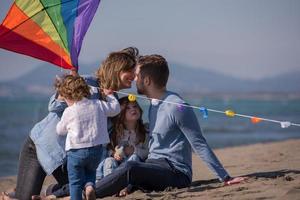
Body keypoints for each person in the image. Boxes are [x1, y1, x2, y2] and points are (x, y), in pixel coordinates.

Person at [93, 54, 245, 198]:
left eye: (137, 75)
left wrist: (225, 177)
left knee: (130, 168)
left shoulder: (177, 106)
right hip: (153, 165)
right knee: (115, 166)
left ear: (147, 81)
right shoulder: (154, 104)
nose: (134, 79)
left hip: (176, 172)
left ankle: (87, 195)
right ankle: (73, 191)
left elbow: (199, 144)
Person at [1, 47, 139, 200]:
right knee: (24, 198)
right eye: (130, 71)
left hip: (70, 157)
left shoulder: (113, 99)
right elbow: (53, 107)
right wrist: (65, 91)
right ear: (117, 69)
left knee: (85, 187)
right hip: (40, 147)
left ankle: (40, 190)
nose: (134, 76)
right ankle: (15, 194)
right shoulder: (86, 83)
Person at [55, 75, 121, 200]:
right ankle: (90, 187)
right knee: (90, 172)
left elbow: (60, 131)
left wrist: (62, 124)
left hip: (76, 152)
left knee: (75, 183)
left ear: (69, 96)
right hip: (96, 150)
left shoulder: (69, 111)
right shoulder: (98, 104)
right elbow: (115, 109)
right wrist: (109, 95)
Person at [96, 96, 149, 180]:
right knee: (109, 161)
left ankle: (126, 186)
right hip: (117, 166)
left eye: (135, 106)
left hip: (135, 168)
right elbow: (109, 148)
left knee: (134, 158)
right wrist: (114, 154)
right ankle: (108, 185)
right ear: (121, 114)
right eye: (128, 108)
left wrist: (134, 151)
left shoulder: (145, 130)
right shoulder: (116, 132)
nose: (133, 109)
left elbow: (148, 151)